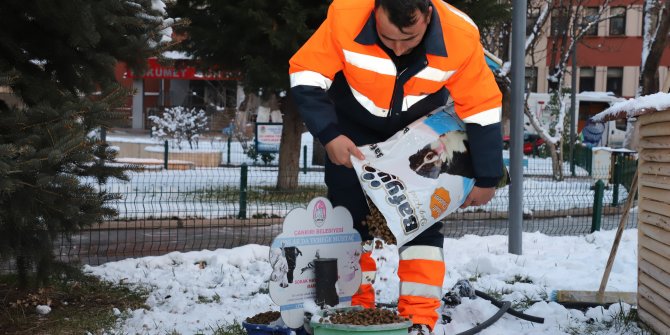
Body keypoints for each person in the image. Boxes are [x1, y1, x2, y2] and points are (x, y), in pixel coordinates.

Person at [289, 0, 503, 333]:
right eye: (389, 39)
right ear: (375, 11)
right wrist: (330, 135)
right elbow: (306, 73)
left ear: (428, 15)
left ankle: (420, 319)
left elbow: (483, 108)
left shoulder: (460, 35)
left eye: (410, 38)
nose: (400, 48)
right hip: (353, 133)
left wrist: (488, 176)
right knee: (346, 221)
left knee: (423, 227)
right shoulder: (345, 15)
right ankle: (347, 311)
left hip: (420, 136)